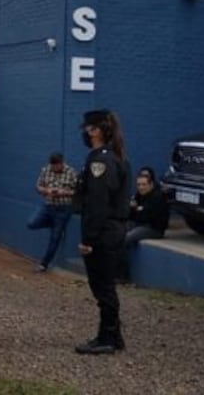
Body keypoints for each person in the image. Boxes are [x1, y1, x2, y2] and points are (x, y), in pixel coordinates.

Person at [73, 108, 130, 355]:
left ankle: (106, 337)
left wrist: (88, 239)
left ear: (95, 131)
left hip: (103, 231)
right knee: (106, 285)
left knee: (102, 287)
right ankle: (114, 335)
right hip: (113, 229)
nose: (85, 133)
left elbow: (97, 204)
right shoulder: (116, 157)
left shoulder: (100, 161)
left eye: (88, 129)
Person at [26, 152, 79, 271]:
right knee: (31, 223)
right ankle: (55, 225)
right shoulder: (46, 170)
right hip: (48, 205)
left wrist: (63, 192)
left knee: (55, 238)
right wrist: (46, 190)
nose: (54, 168)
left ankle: (44, 264)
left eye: (57, 166)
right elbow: (38, 186)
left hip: (63, 207)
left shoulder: (71, 172)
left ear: (62, 163)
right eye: (52, 166)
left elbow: (78, 192)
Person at [125, 167, 169, 245]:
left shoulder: (158, 197)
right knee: (117, 231)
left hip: (153, 229)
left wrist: (136, 209)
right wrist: (134, 209)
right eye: (139, 185)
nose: (141, 187)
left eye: (144, 185)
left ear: (151, 184)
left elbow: (146, 217)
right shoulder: (139, 195)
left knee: (128, 237)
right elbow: (131, 215)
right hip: (139, 224)